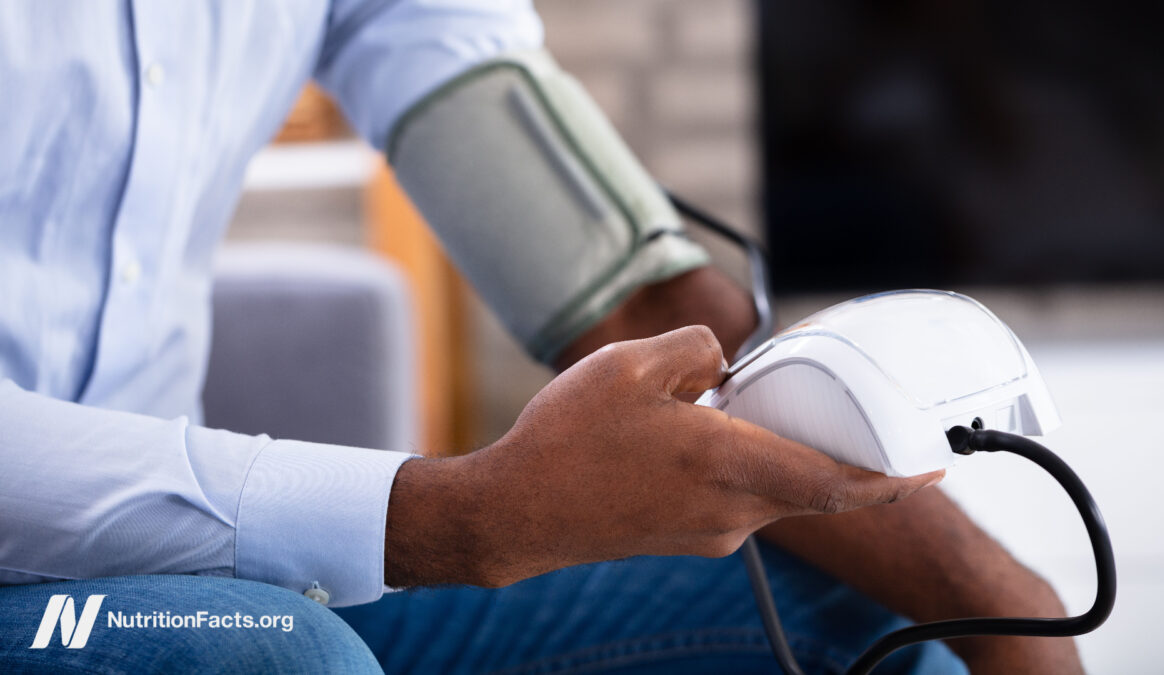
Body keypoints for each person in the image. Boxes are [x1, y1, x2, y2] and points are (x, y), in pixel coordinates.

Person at [0, 2, 1081, 673]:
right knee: (272, 659)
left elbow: (617, 285)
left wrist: (1000, 606)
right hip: (150, 615)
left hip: (198, 577)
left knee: (878, 629)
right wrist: (461, 518)